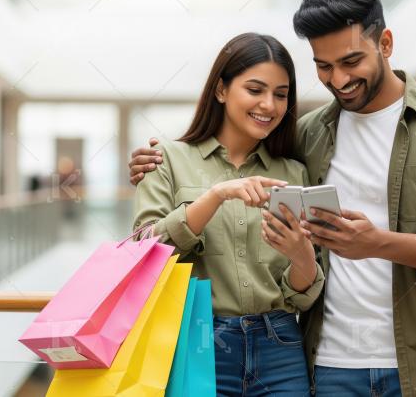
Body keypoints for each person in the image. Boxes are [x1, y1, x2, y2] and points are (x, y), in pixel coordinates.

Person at [128, 0, 416, 397]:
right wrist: (166, 162)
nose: (339, 79)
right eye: (323, 66)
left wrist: (378, 244)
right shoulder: (308, 136)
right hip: (324, 365)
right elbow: (205, 184)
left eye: (351, 61)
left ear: (385, 43)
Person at [132, 32, 324, 395]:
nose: (269, 105)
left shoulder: (293, 174)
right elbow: (144, 250)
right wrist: (216, 195)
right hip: (198, 340)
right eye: (255, 90)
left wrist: (303, 258)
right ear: (221, 90)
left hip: (279, 345)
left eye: (280, 95)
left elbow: (301, 294)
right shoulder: (166, 160)